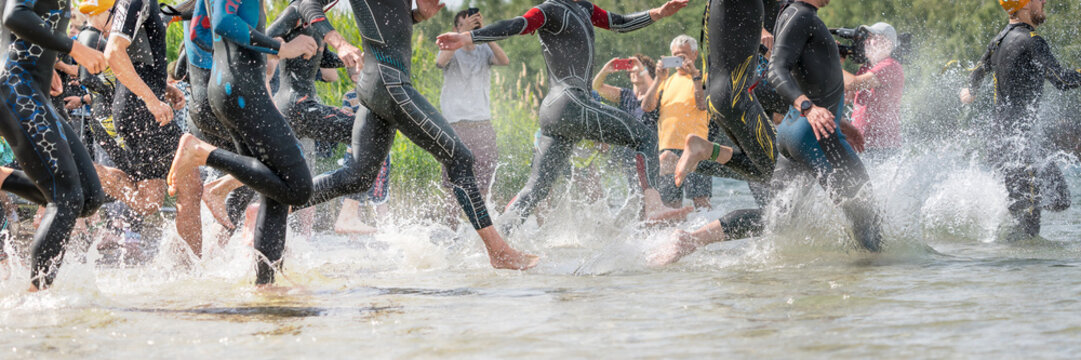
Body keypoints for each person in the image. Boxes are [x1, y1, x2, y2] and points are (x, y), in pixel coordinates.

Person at [276, 0, 537, 270]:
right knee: (459, 158)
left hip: (381, 83)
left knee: (357, 178)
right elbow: (308, 3)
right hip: (389, 84)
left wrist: (417, 16)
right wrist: (339, 43)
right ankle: (498, 251)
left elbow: (387, 25)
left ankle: (273, 207)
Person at [437, 0, 694, 231]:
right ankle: (654, 205)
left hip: (555, 112)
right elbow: (518, 24)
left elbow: (619, 23)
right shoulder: (550, 9)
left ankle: (499, 241)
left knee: (535, 189)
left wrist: (657, 13)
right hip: (571, 102)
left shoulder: (585, 8)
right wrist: (471, 36)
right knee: (645, 137)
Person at [167, 0, 321, 284]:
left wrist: (251, 51)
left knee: (275, 193)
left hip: (229, 87)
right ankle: (200, 151)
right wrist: (279, 48)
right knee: (299, 188)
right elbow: (225, 23)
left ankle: (266, 285)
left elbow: (199, 33)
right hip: (242, 90)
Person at [650, 0, 781, 265]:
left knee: (771, 179)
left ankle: (704, 152)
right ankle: (692, 239)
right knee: (783, 184)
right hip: (735, 99)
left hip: (722, 97)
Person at [0, 0, 108, 290]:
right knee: (66, 197)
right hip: (15, 87)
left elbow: (34, 23)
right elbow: (15, 15)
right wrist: (75, 48)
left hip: (32, 88)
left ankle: (3, 177)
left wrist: (48, 64)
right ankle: (35, 299)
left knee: (87, 197)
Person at [960, 0, 1080, 239]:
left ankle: (1009, 212)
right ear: (1025, 5)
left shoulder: (998, 40)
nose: (1044, 1)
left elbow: (977, 71)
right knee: (1028, 231)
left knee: (1059, 199)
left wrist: (970, 91)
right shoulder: (1032, 41)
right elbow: (1061, 80)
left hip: (1005, 143)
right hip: (1020, 147)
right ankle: (1017, 263)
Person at [101, 0, 203, 255]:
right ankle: (194, 268)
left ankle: (89, 173)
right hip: (141, 111)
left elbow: (179, 11)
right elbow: (113, 52)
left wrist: (162, 89)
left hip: (140, 109)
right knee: (191, 183)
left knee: (149, 201)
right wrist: (150, 99)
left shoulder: (151, 4)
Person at [435, 9, 509, 223]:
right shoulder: (450, 48)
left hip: (482, 123)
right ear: (456, 28)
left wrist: (483, 33)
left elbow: (504, 61)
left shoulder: (484, 48)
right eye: (464, 25)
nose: (469, 29)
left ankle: (482, 230)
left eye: (473, 25)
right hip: (455, 124)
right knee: (452, 183)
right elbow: (440, 62)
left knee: (485, 182)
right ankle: (451, 231)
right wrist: (461, 36)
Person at [641, 35, 712, 209]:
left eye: (684, 55)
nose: (679, 59)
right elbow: (647, 107)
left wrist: (695, 75)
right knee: (670, 206)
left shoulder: (704, 78)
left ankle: (708, 232)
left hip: (696, 149)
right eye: (675, 55)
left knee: (701, 203)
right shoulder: (667, 81)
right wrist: (658, 79)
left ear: (694, 55)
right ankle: (676, 235)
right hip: (667, 152)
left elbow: (703, 105)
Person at [592, 54, 659, 192]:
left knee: (652, 191)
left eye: (639, 69)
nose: (635, 71)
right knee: (636, 195)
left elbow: (655, 92)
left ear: (647, 72)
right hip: (630, 155)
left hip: (650, 153)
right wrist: (605, 70)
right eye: (633, 69)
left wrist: (641, 68)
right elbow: (596, 87)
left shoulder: (655, 95)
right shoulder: (624, 95)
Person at [843, 22, 904, 157]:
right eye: (868, 37)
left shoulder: (891, 66)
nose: (867, 41)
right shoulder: (865, 68)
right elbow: (845, 98)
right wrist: (840, 61)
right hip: (862, 145)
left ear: (887, 44)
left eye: (873, 38)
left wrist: (834, 63)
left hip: (882, 147)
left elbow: (853, 83)